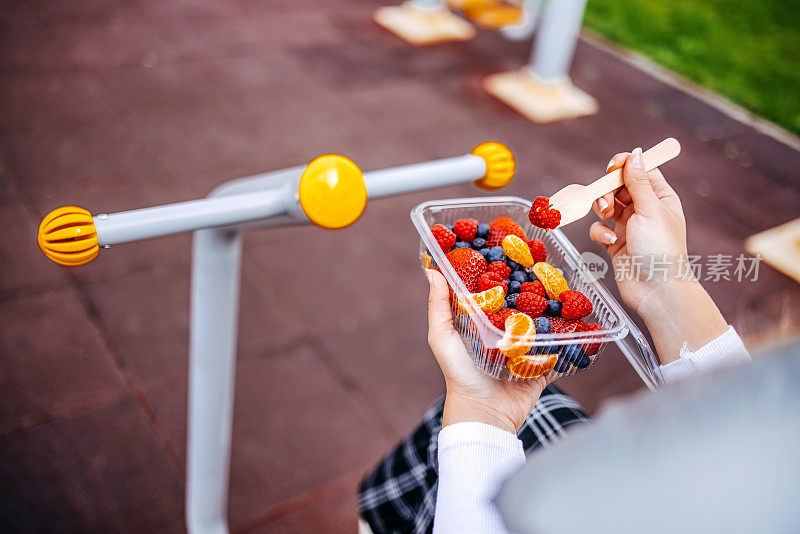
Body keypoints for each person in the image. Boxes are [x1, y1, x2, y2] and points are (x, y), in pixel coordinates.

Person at [358, 147, 751, 534]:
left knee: (461, 432)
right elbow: (743, 449)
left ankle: (381, 520)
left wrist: (482, 412)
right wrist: (666, 283)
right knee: (530, 404)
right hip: (664, 485)